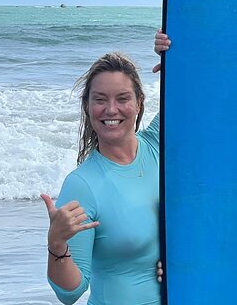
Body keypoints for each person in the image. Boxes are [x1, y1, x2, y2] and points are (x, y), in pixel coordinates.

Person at [41, 51, 161, 305]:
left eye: (123, 98)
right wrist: (57, 243)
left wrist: (175, 54)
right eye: (100, 99)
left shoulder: (158, 145)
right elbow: (69, 292)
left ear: (139, 102)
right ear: (88, 106)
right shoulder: (82, 185)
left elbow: (202, 90)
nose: (111, 109)